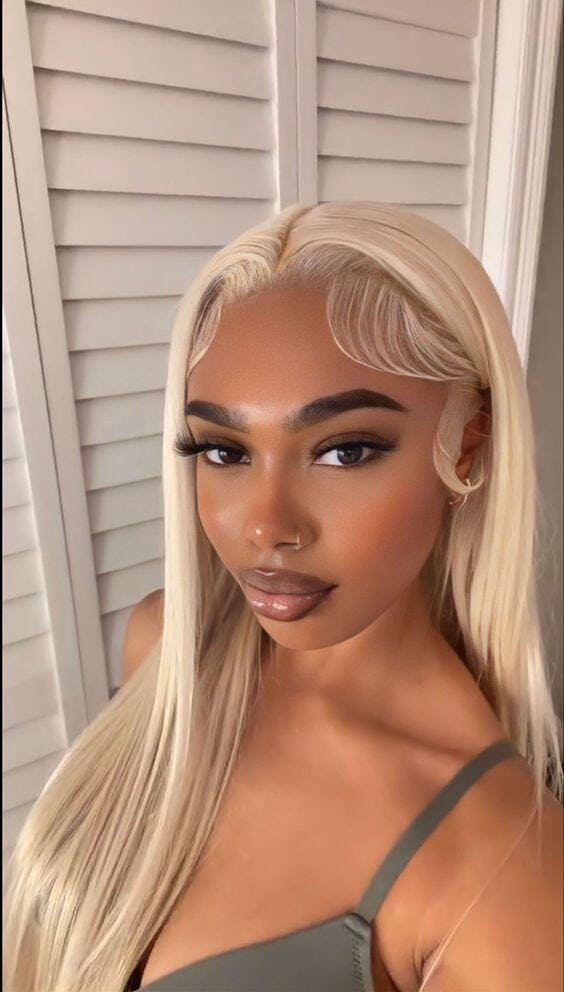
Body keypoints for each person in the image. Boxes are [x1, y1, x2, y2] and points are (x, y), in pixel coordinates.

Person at [3, 201, 563, 992]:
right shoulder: (165, 648)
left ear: (465, 444)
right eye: (223, 450)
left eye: (345, 451)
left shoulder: (501, 869)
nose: (266, 527)